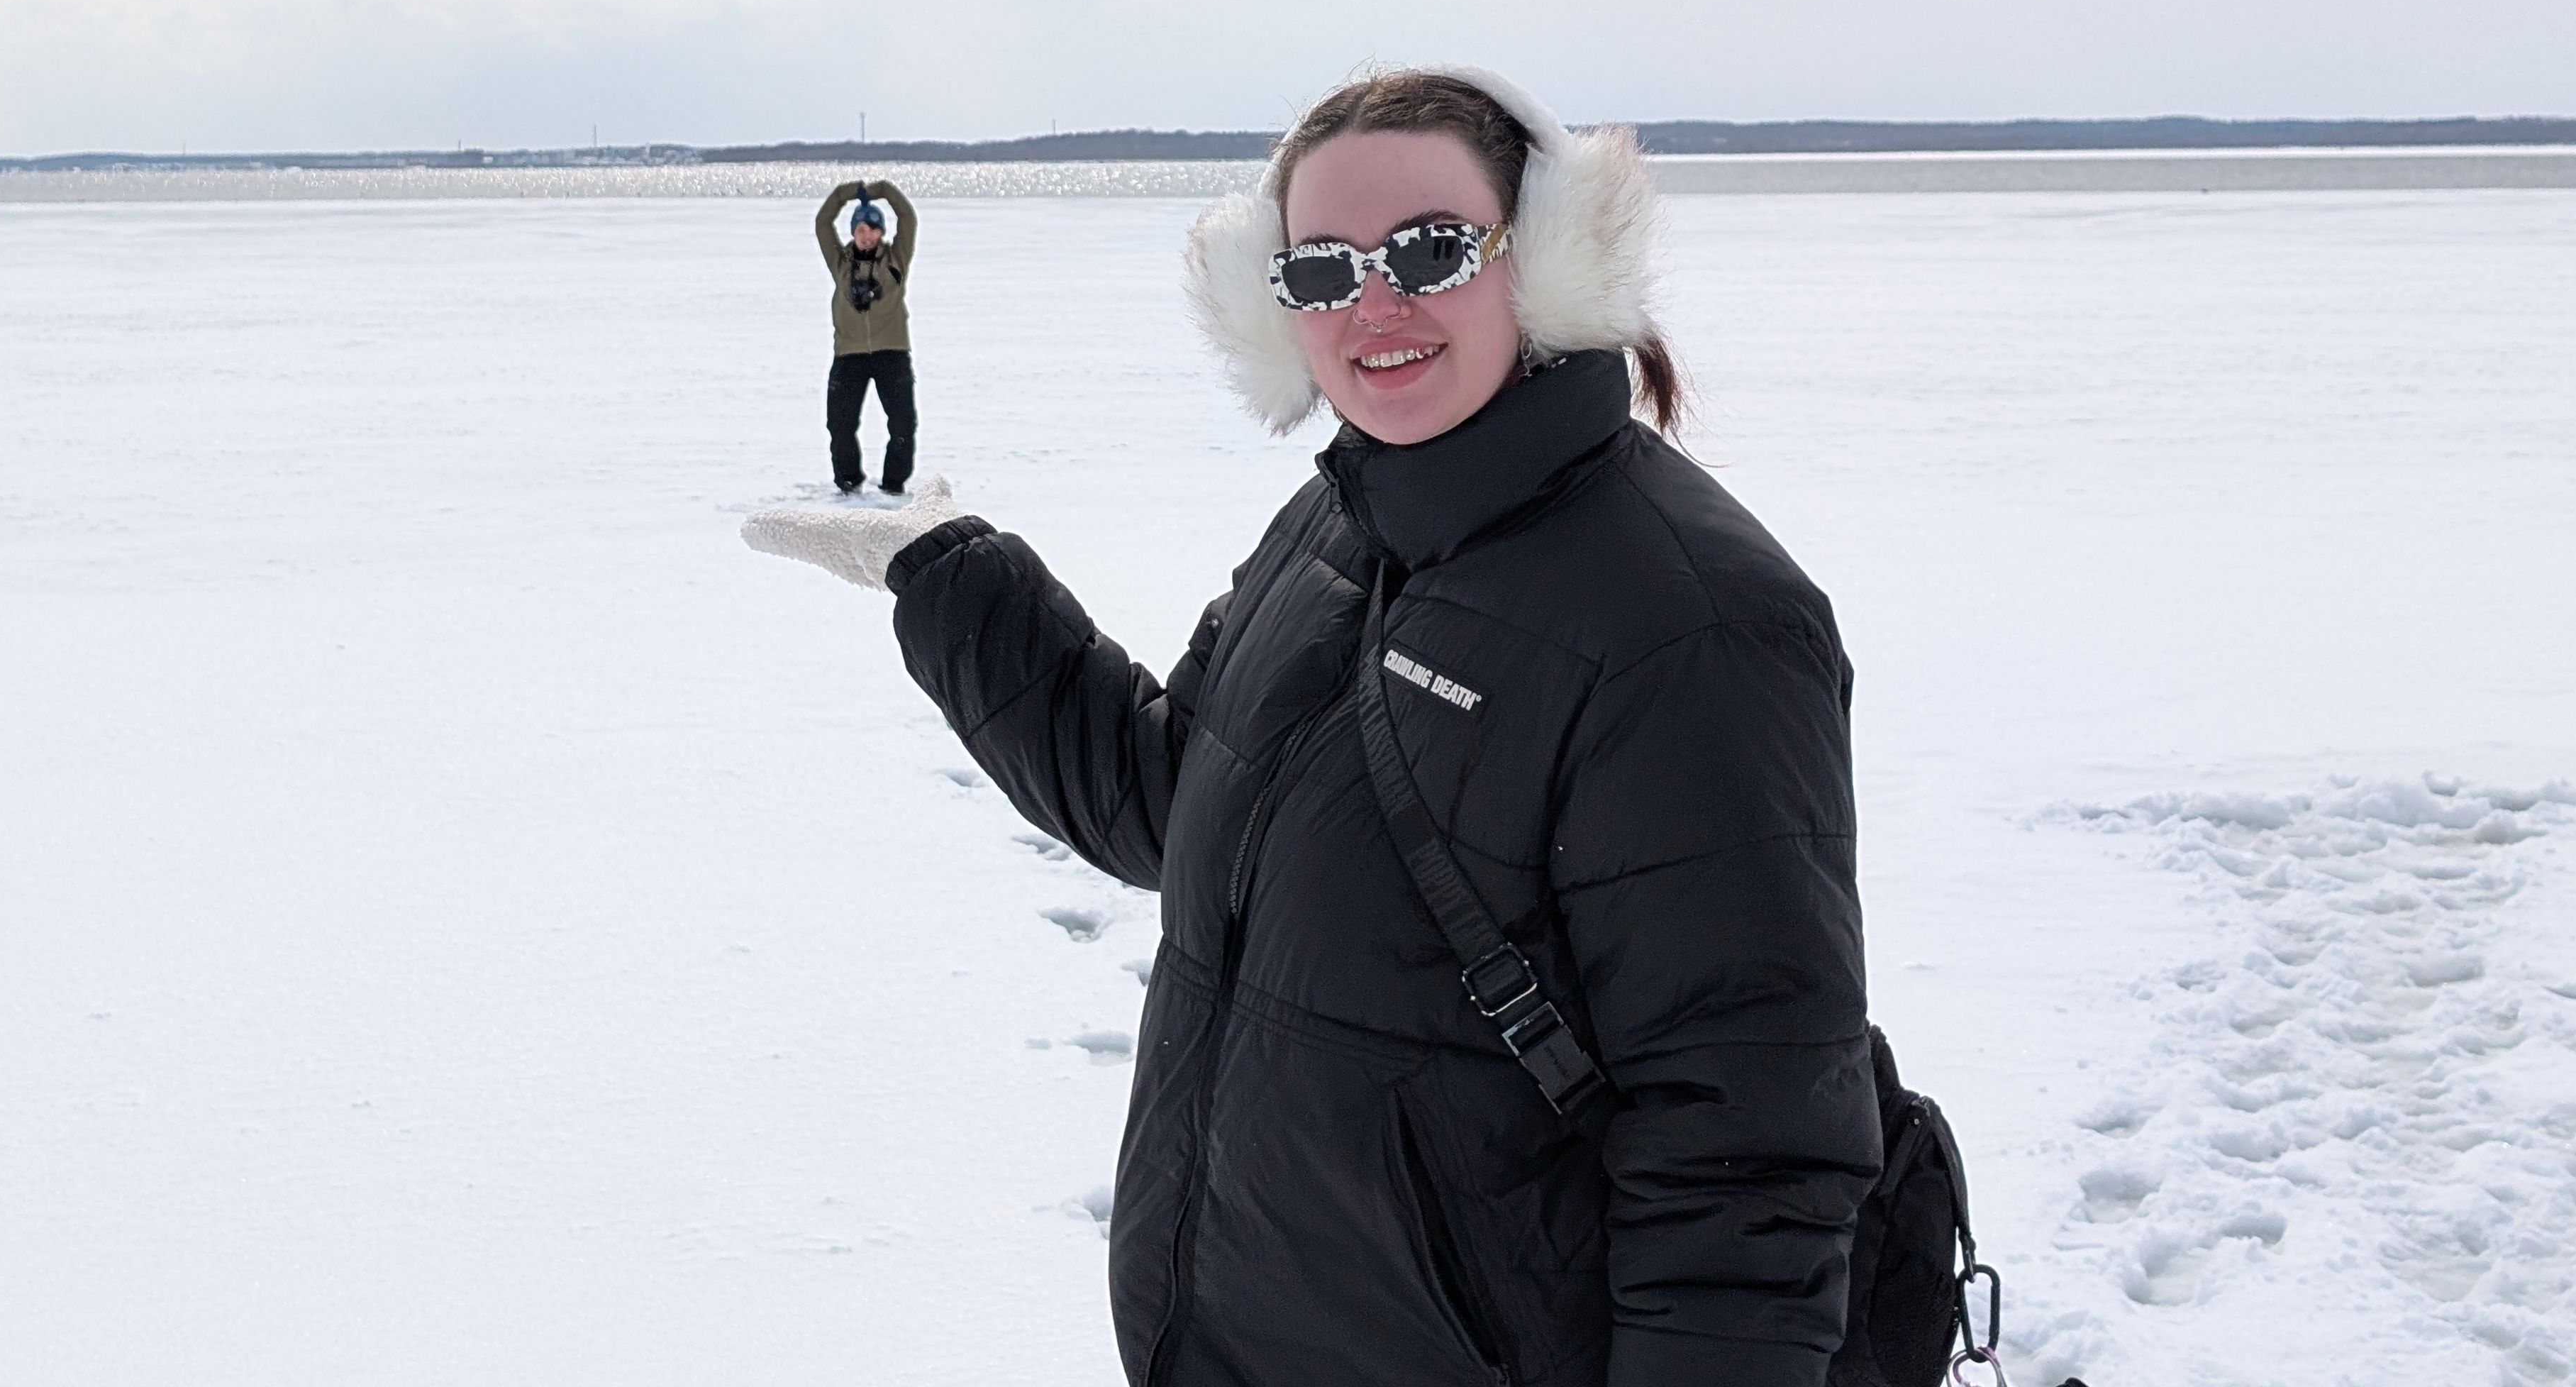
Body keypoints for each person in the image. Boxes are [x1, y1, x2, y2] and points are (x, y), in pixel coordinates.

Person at [745, 70, 1877, 1386]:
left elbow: (1747, 1162)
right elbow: (1170, 795)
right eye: (1323, 270)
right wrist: (949, 578)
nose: (1375, 303)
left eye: (1431, 250)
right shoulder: (1341, 529)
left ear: (1551, 258)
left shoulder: (1693, 624)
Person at [814, 177, 918, 494]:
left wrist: (882, 190)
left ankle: (893, 487)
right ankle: (849, 483)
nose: (867, 236)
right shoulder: (841, 263)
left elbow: (908, 217)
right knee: (840, 427)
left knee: (903, 426)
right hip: (849, 354)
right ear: (853, 232)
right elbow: (822, 222)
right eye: (861, 229)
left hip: (892, 351)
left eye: (873, 229)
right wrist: (848, 193)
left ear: (881, 233)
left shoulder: (897, 259)